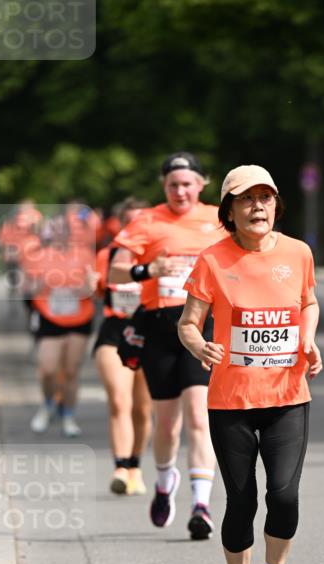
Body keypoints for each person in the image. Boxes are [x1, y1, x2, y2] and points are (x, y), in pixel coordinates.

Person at [179, 165, 322, 564]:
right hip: (231, 400)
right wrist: (200, 344)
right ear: (229, 209)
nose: (257, 206)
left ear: (277, 205)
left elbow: (308, 302)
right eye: (246, 199)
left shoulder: (298, 253)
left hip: (287, 395)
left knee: (284, 495)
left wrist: (308, 339)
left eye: (265, 197)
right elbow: (186, 323)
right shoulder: (212, 259)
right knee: (241, 500)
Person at [109, 152, 226, 538]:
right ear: (164, 187)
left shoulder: (217, 219)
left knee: (198, 416)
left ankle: (201, 504)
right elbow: (115, 269)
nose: (180, 191)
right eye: (173, 185)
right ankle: (164, 483)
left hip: (203, 326)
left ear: (201, 184)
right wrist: (148, 269)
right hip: (160, 326)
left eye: (187, 184)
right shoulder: (147, 221)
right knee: (167, 425)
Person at [93, 197, 152, 495]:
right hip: (115, 331)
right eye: (128, 221)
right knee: (120, 400)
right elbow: (96, 289)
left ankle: (135, 467)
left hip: (149, 333)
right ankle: (120, 466)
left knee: (143, 409)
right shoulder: (108, 255)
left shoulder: (160, 255)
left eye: (140, 220)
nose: (134, 226)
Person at [23, 215, 96, 437]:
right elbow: (26, 289)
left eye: (62, 229)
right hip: (49, 317)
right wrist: (42, 284)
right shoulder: (38, 256)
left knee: (71, 371)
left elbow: (94, 285)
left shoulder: (84, 254)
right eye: (53, 229)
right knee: (48, 369)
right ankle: (47, 405)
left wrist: (84, 289)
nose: (58, 233)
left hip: (79, 318)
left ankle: (68, 416)